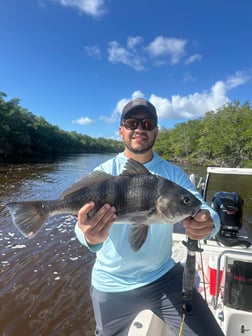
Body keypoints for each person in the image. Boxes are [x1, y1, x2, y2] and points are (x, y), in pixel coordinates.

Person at [75, 98, 224, 336]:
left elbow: (201, 205)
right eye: (132, 123)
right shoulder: (103, 173)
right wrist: (90, 238)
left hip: (164, 276)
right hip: (111, 284)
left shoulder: (173, 174)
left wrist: (209, 222)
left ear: (155, 130)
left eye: (147, 123)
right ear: (121, 130)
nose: (139, 129)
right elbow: (80, 228)